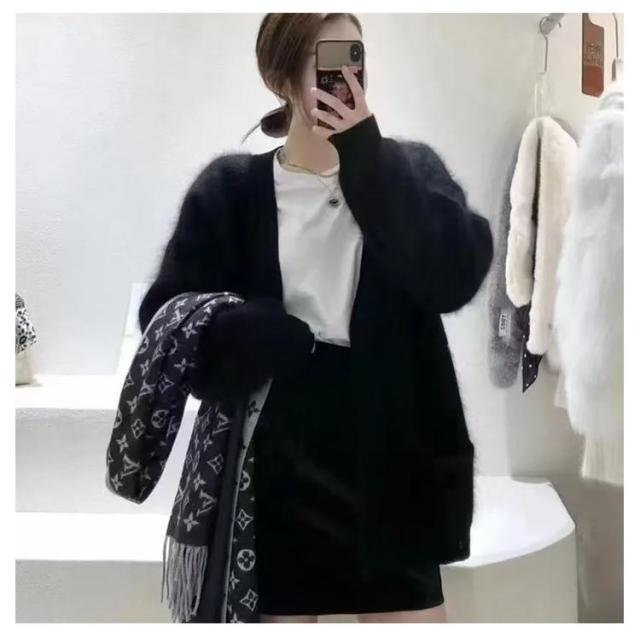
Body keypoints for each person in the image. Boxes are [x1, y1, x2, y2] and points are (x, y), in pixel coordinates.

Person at [138, 12, 494, 624]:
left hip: (393, 461)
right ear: (281, 78)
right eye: (327, 61)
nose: (346, 76)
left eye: (356, 56)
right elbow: (166, 321)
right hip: (279, 462)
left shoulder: (406, 171)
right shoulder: (230, 190)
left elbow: (453, 275)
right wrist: (244, 335)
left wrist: (366, 157)